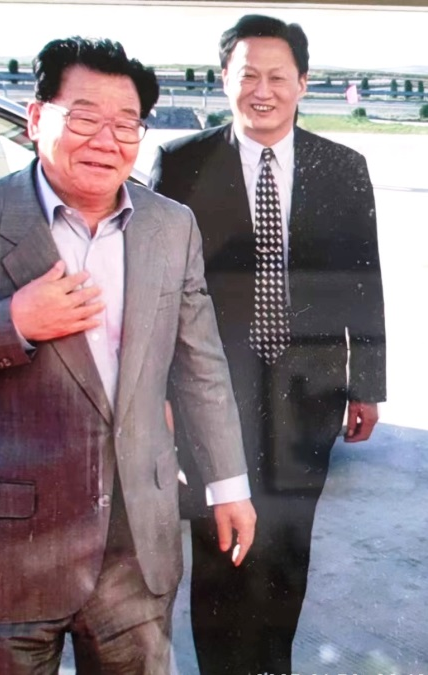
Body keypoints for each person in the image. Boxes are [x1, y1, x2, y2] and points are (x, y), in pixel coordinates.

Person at [0, 36, 257, 675]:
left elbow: (201, 364)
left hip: (135, 548)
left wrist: (229, 484)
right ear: (37, 117)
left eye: (126, 124)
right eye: (85, 117)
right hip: (6, 554)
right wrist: (11, 323)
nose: (106, 140)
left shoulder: (170, 225)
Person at [150, 14, 386, 675]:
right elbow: (156, 287)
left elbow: (363, 281)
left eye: (277, 76)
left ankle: (271, 666)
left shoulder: (342, 168)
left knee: (286, 547)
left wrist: (367, 384)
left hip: (308, 392)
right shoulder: (183, 163)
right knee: (218, 544)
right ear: (223, 78)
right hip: (209, 393)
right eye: (247, 75)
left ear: (302, 83)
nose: (262, 90)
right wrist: (158, 390)